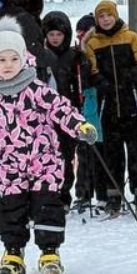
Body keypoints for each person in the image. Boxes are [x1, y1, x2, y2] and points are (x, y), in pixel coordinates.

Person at [0, 18, 97, 274]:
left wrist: (79, 126)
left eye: (14, 59)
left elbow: (61, 109)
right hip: (10, 164)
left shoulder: (36, 89)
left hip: (44, 161)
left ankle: (49, 252)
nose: (8, 65)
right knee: (11, 209)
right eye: (1, 60)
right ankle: (13, 254)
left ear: (23, 59)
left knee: (47, 206)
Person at [83, 0, 137, 216]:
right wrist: (102, 82)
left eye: (109, 15)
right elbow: (92, 70)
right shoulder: (93, 43)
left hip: (131, 102)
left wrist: (130, 76)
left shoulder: (131, 37)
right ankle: (114, 195)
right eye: (101, 17)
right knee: (113, 154)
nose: (106, 20)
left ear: (116, 15)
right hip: (109, 104)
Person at [43, 11, 92, 203]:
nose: (55, 38)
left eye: (59, 34)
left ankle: (68, 193)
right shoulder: (42, 56)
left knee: (69, 155)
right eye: (51, 34)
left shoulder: (73, 57)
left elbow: (84, 82)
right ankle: (54, 193)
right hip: (47, 115)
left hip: (70, 112)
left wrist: (84, 64)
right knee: (51, 156)